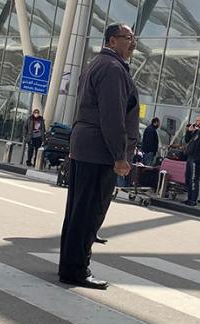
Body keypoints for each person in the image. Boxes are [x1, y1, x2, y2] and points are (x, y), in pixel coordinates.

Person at [58, 23, 138, 290]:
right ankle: (77, 270)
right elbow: (112, 116)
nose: (133, 43)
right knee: (90, 212)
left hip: (86, 146)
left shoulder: (97, 64)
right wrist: (120, 155)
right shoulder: (113, 69)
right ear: (113, 41)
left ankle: (70, 265)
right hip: (99, 151)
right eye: (128, 38)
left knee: (78, 211)